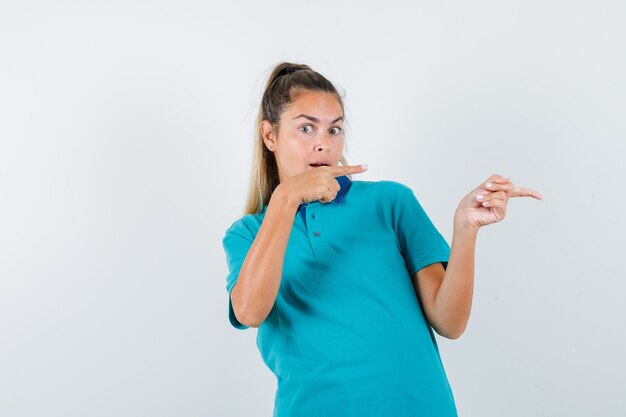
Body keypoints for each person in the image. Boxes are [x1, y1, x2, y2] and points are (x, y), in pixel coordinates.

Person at [222, 62, 543, 417]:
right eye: (306, 128)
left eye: (334, 129)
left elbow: (450, 322)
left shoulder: (390, 202)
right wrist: (285, 200)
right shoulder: (247, 234)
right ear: (270, 136)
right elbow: (250, 311)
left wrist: (466, 229)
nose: (322, 145)